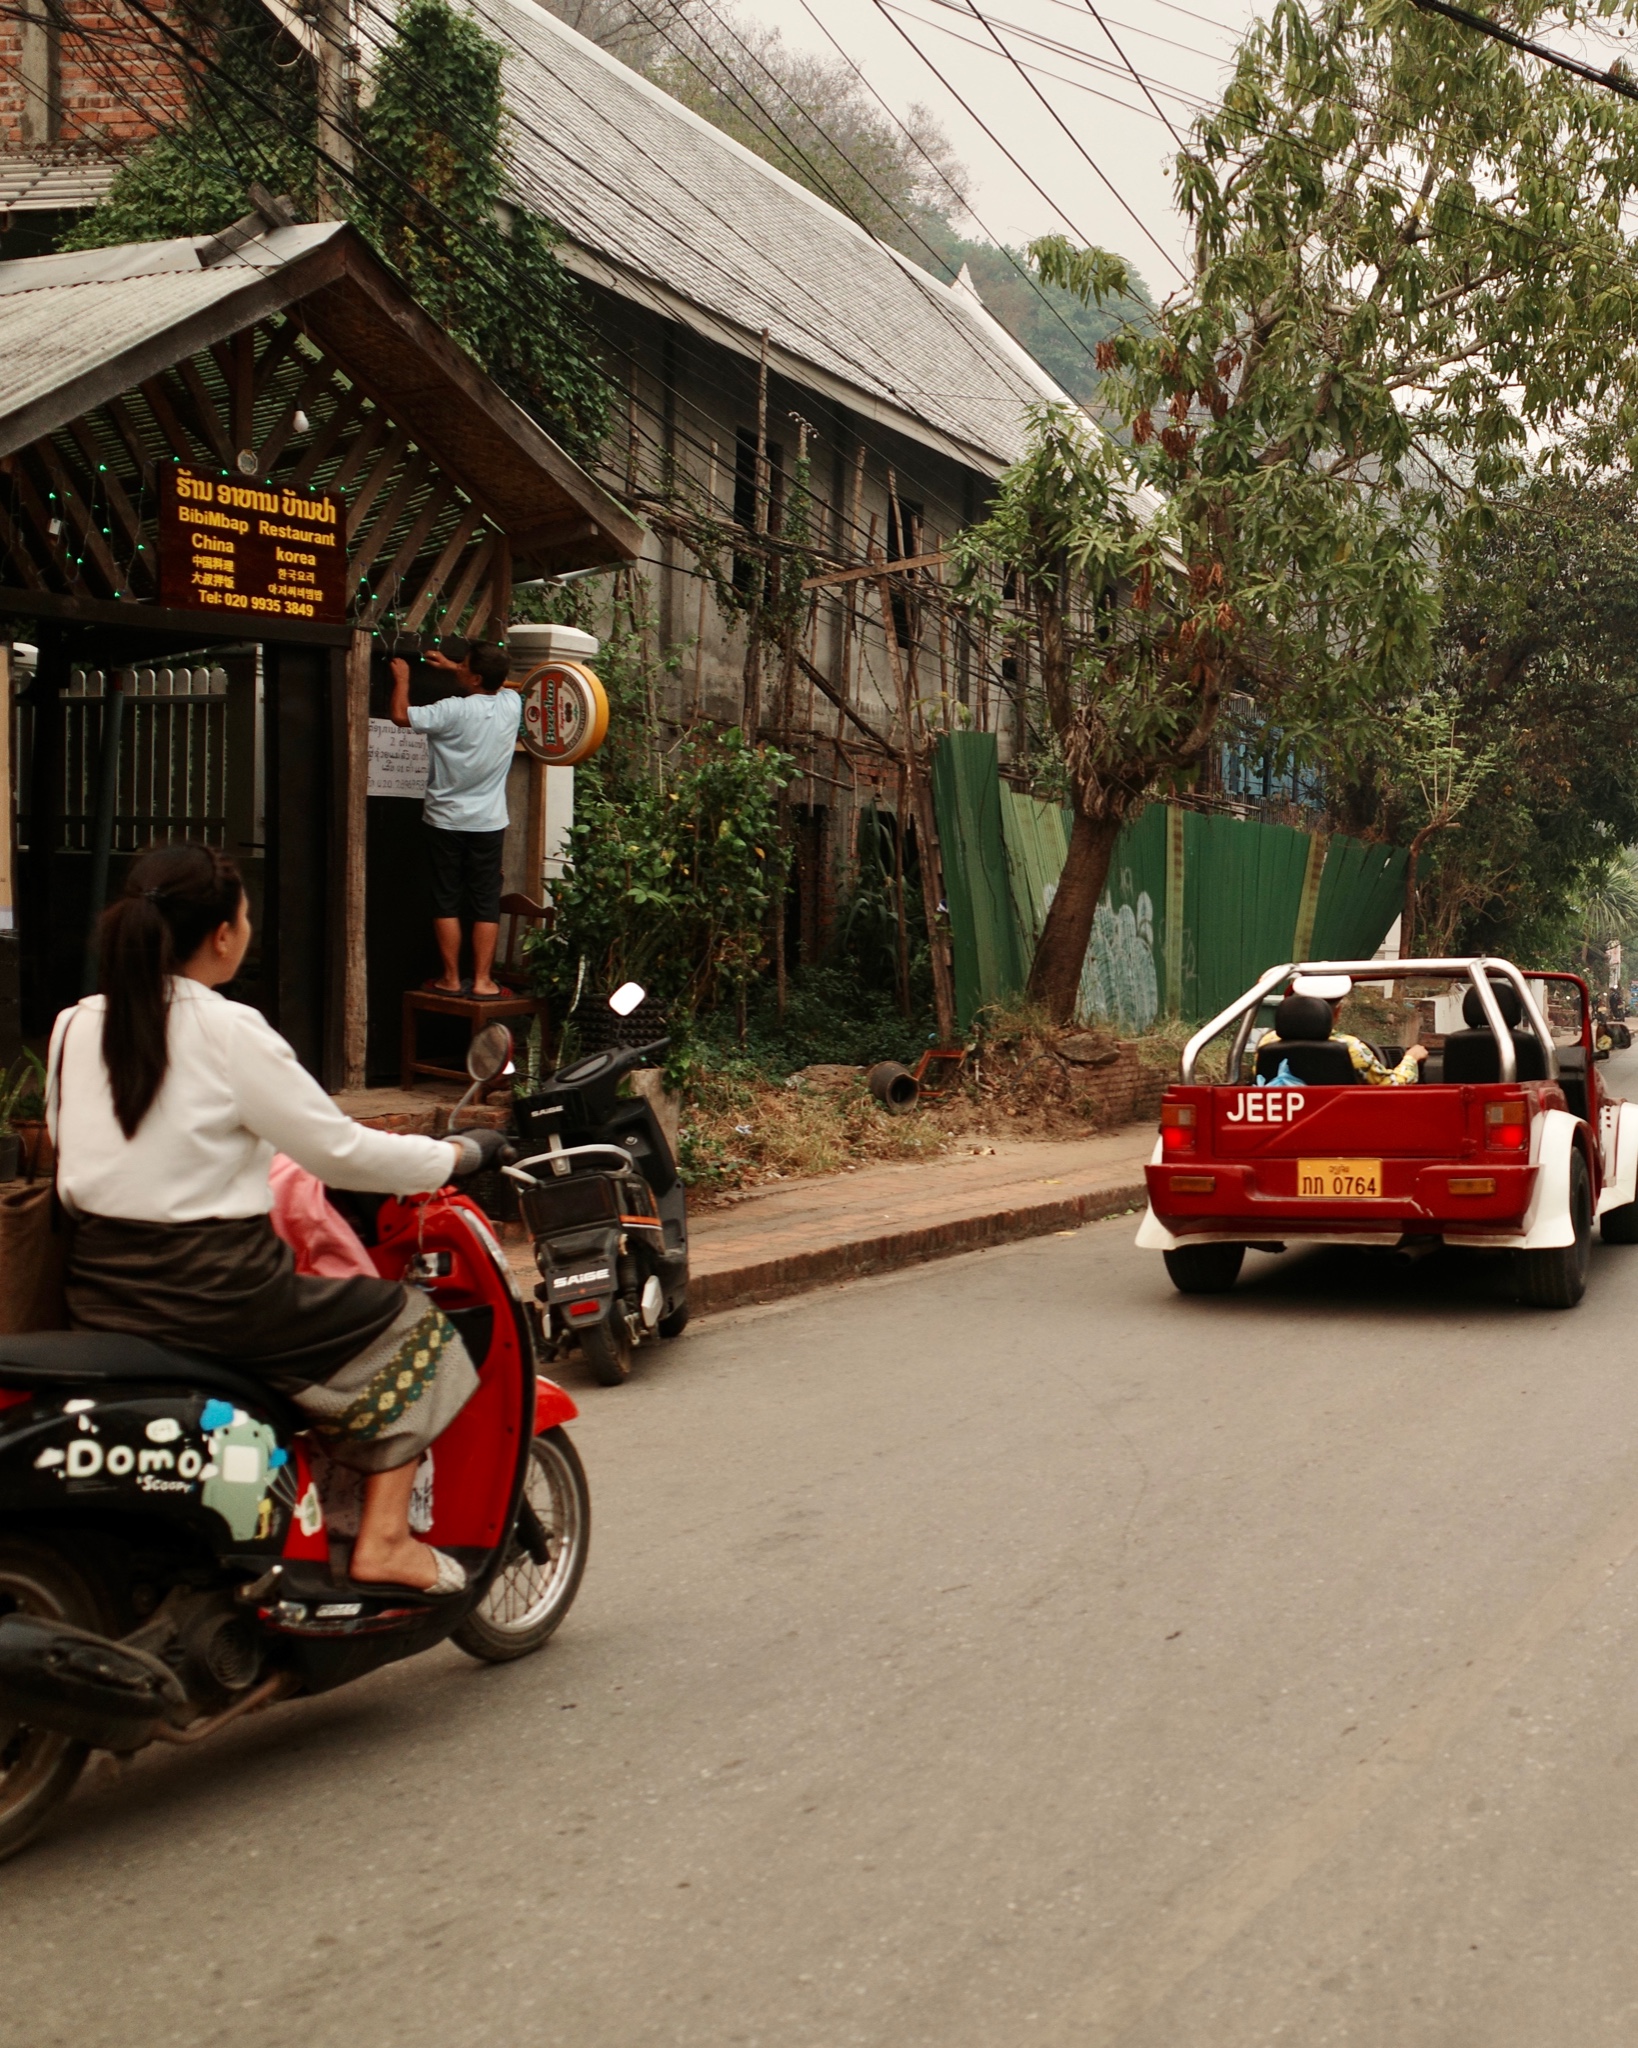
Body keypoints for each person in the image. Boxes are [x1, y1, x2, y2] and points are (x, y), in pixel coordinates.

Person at [47, 844, 507, 1595]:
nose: (249, 929)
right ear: (222, 934)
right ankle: (385, 1540)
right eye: (247, 917)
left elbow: (76, 1162)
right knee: (412, 1326)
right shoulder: (233, 1031)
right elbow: (340, 1153)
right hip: (222, 1294)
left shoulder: (72, 1026)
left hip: (100, 1288)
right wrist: (452, 1157)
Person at [389, 639, 521, 1000]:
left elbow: (401, 716)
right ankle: (482, 981)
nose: (458, 666)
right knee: (485, 901)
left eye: (464, 664)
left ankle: (450, 979)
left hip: (445, 820)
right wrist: (452, 667)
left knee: (446, 898)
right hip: (490, 822)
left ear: (476, 678)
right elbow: (514, 684)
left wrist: (402, 678)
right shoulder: (513, 705)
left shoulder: (451, 710)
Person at [1258, 974, 1428, 1086]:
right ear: (1337, 1012)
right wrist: (1411, 1059)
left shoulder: (1266, 1043)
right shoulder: (1350, 1048)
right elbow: (1391, 1087)